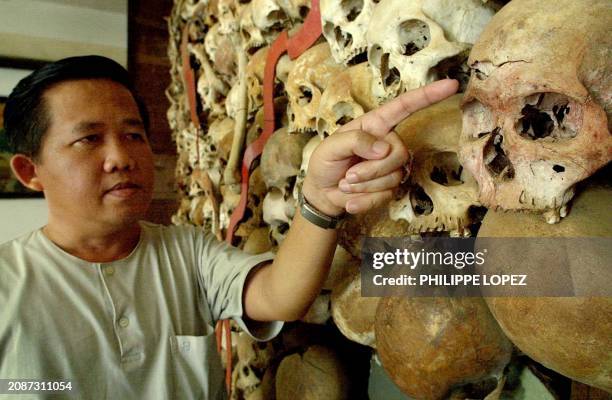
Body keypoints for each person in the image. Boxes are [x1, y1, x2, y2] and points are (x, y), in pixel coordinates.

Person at [0, 55, 458, 399]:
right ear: (29, 170)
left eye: (134, 134)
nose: (121, 157)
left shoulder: (185, 251)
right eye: (88, 139)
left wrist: (320, 199)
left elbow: (282, 295)